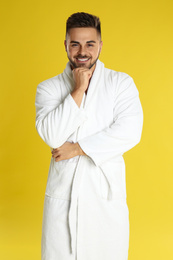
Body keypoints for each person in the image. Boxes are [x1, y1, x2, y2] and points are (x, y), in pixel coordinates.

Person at [35, 12, 143, 260]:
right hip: (65, 197)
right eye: (75, 44)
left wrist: (77, 148)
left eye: (90, 44)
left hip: (104, 197)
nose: (82, 51)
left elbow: (130, 131)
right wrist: (78, 89)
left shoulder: (120, 83)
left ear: (100, 45)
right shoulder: (49, 88)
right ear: (66, 45)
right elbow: (52, 135)